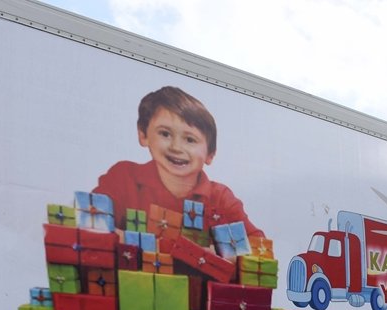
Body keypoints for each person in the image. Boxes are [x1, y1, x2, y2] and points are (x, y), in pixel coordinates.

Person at [94, 86, 264, 238]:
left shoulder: (220, 199)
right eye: (165, 134)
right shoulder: (124, 177)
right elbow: (89, 222)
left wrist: (219, 255)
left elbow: (258, 246)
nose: (176, 147)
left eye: (190, 140)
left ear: (210, 154)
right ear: (143, 135)